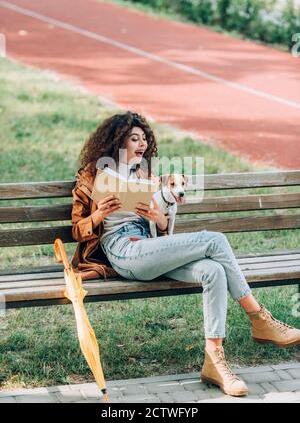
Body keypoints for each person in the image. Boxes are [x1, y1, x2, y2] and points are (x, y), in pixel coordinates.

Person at [71, 111, 300, 397]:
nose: (141, 144)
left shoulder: (146, 176)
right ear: (117, 142)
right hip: (122, 250)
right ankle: (259, 318)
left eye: (144, 138)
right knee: (214, 241)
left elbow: (163, 231)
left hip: (149, 248)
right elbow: (77, 231)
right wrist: (99, 215)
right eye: (133, 139)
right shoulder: (94, 175)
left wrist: (159, 218)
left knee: (213, 271)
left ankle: (215, 361)